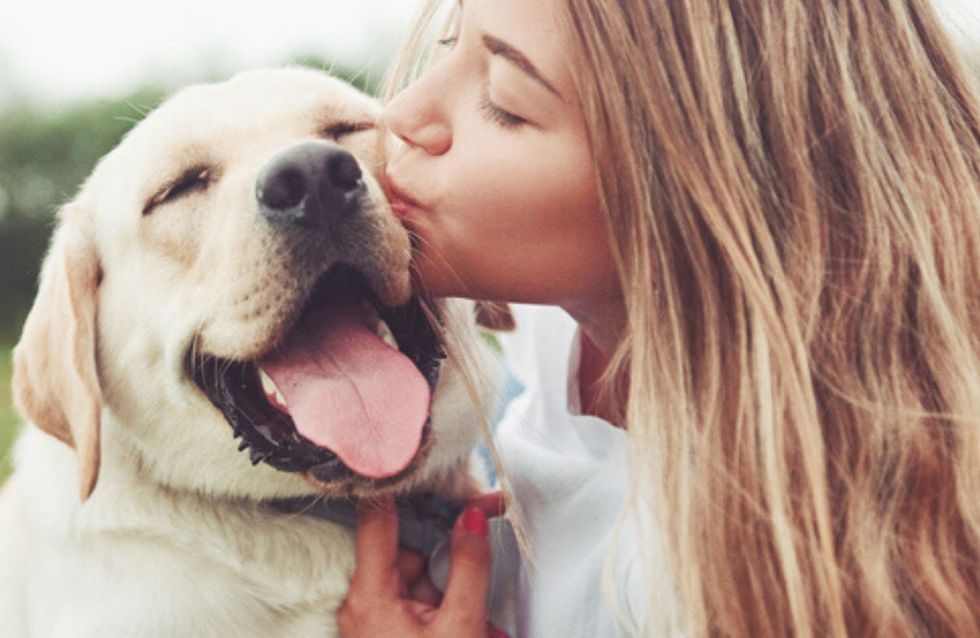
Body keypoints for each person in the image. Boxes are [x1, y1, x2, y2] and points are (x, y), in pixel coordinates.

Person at [336, 0, 980, 636]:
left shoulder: (717, 580)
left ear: (690, 192)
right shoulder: (560, 325)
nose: (402, 113)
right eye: (450, 45)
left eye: (505, 102)